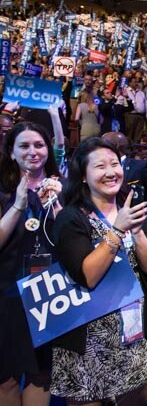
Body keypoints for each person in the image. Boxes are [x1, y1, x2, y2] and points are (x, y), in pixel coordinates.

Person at [51, 137, 147, 405]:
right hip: (86, 336)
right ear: (84, 176)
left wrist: (137, 232)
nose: (111, 172)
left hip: (131, 329)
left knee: (137, 396)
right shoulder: (72, 217)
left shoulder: (129, 209)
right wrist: (118, 230)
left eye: (115, 163)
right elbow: (88, 275)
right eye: (100, 166)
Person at [0, 122, 63, 406]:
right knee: (6, 377)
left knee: (41, 374)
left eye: (39, 145)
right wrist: (19, 204)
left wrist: (57, 207)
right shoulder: (3, 189)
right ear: (11, 153)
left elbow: (72, 241)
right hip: (6, 293)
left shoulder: (63, 186)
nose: (33, 152)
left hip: (48, 293)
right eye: (24, 146)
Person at [102, 131, 147, 219]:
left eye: (102, 144)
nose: (99, 148)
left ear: (116, 146)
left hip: (135, 220)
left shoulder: (139, 166)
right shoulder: (100, 168)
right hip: (106, 217)